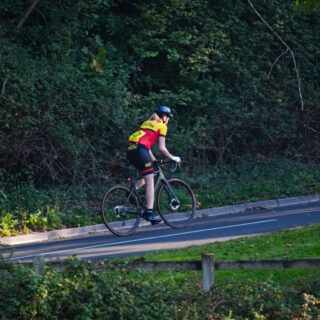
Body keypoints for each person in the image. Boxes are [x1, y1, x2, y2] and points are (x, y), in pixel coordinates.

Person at [127, 106, 181, 224]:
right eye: (168, 117)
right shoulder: (162, 126)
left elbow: (146, 145)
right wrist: (173, 158)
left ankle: (132, 192)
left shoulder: (147, 123)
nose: (168, 120)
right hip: (140, 150)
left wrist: (155, 160)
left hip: (131, 149)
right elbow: (162, 148)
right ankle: (149, 213)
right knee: (150, 180)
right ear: (164, 117)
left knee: (146, 176)